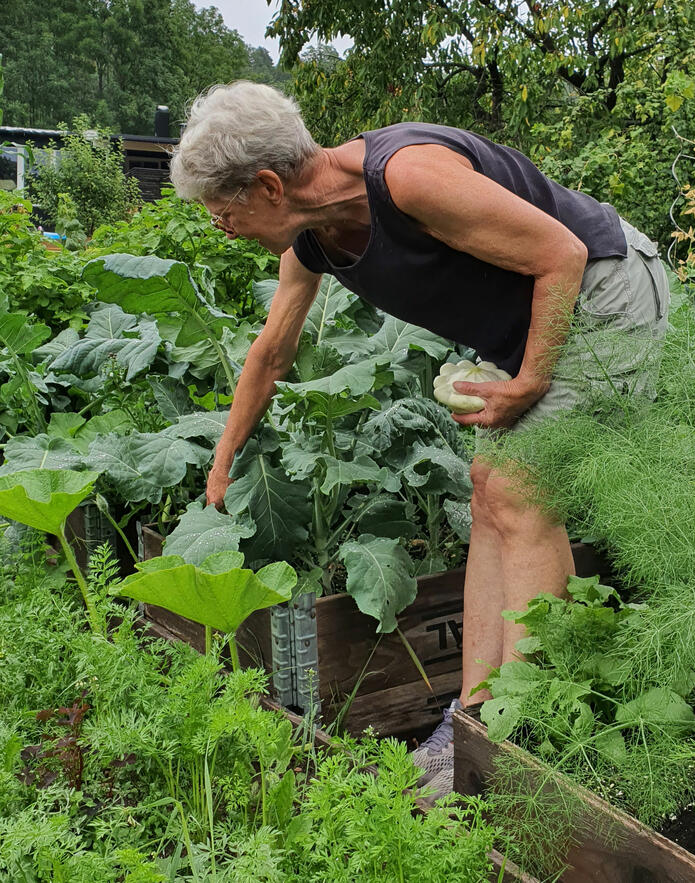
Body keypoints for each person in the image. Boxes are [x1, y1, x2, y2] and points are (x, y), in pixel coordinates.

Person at [170, 80, 669, 798]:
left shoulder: (408, 178)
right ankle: (472, 723)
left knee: (526, 493)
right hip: (539, 313)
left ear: (271, 185)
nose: (223, 227)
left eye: (224, 212)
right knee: (488, 488)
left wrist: (528, 383)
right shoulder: (312, 239)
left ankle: (524, 748)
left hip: (603, 288)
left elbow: (559, 254)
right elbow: (270, 354)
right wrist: (221, 466)